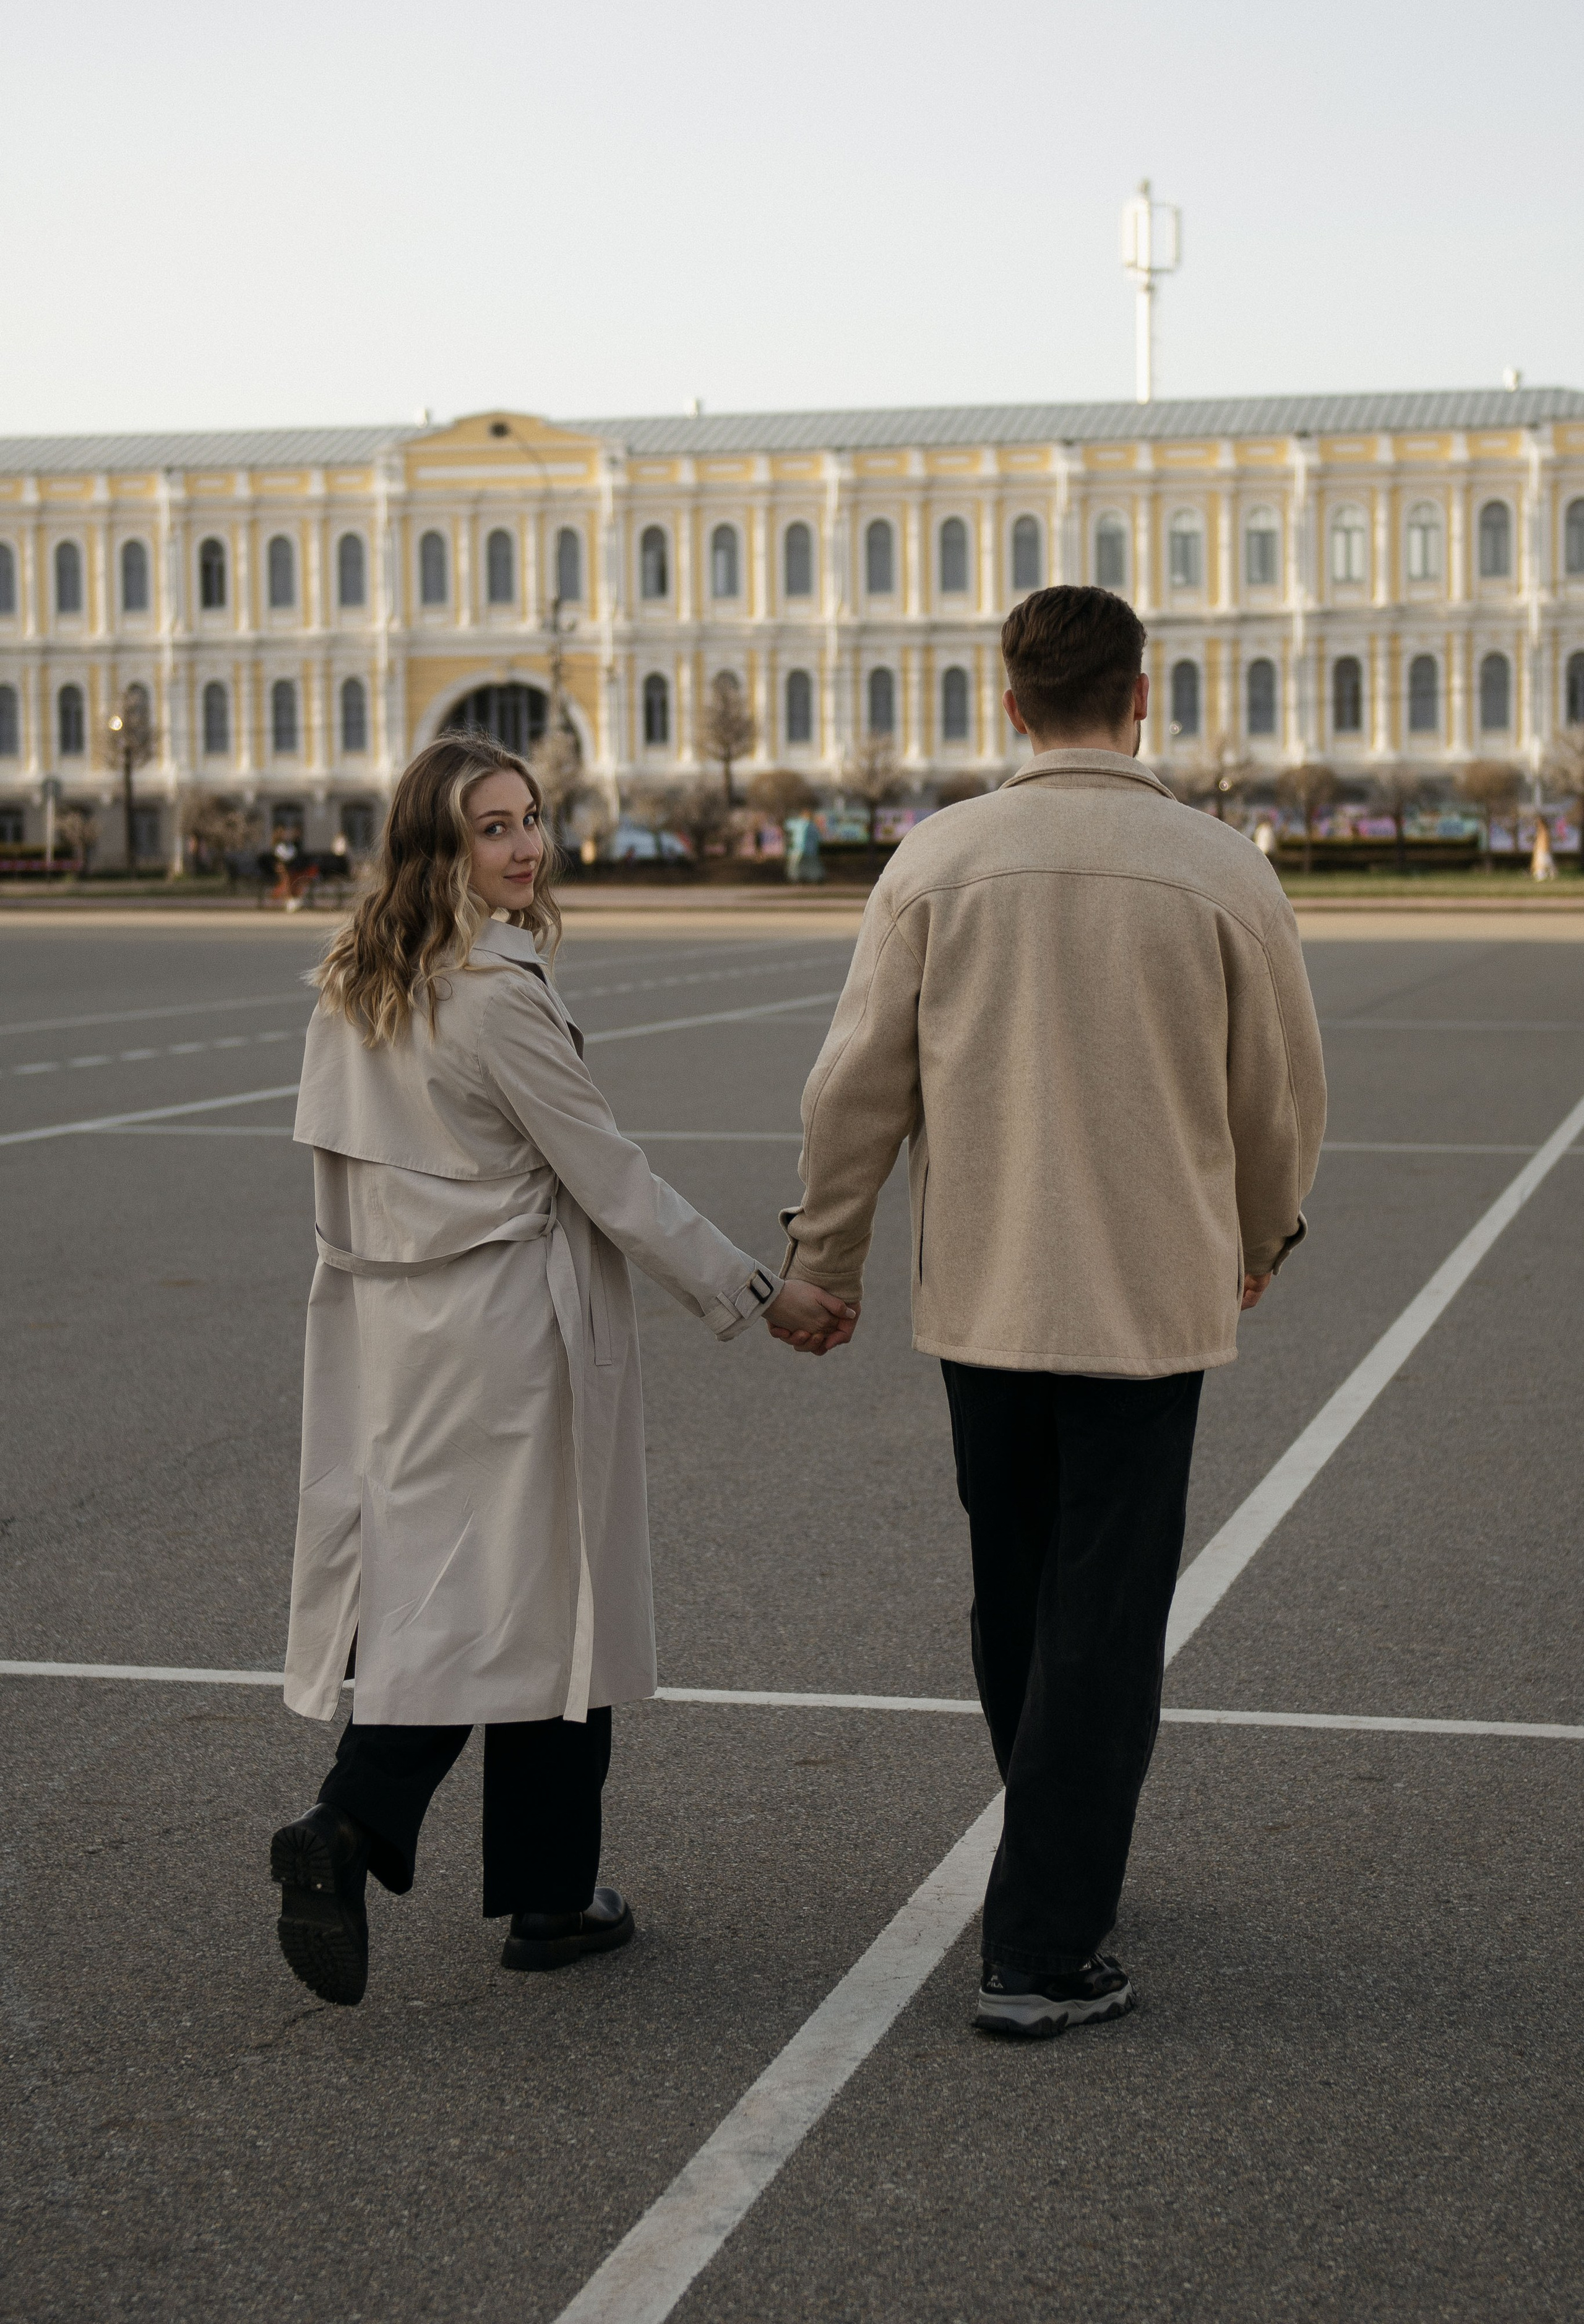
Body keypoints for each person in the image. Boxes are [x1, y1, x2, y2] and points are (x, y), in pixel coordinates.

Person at [775, 587, 1326, 2039]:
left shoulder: (937, 862)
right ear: (1141, 698)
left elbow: (853, 1093)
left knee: (1015, 1591)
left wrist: (823, 1259)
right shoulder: (1218, 870)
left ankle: (1052, 1850)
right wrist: (1260, 1230)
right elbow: (1275, 1092)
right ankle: (1039, 1942)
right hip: (1146, 1301)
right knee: (1105, 1613)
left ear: (1005, 703)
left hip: (988, 1296)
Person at [272, 730, 851, 2007]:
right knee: (548, 1600)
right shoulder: (494, 995)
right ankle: (396, 1841)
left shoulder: (357, 983)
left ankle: (486, 1868)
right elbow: (613, 1181)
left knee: (458, 1594)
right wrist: (759, 1292)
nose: (527, 843)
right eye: (493, 826)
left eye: (531, 817)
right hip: (510, 1338)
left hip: (402, 1335)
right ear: (439, 846)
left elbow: (340, 1181)